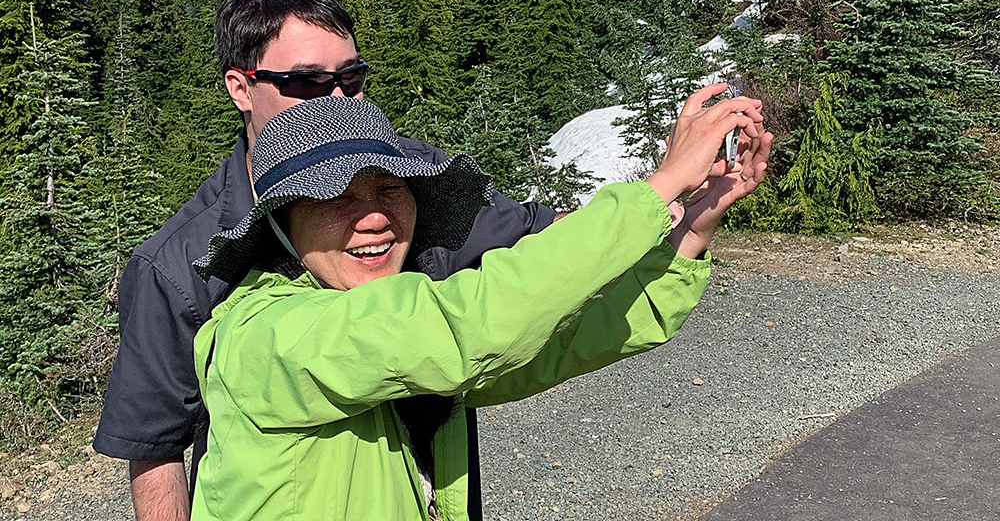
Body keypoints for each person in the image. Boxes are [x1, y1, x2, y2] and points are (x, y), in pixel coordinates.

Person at [93, 0, 560, 521]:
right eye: (309, 82)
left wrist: (665, 208)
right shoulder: (176, 265)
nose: (339, 99)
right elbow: (154, 448)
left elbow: (537, 235)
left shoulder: (410, 176)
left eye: (352, 77)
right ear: (240, 88)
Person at [189, 88, 769, 520]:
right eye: (334, 196)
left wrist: (693, 224)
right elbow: (471, 324)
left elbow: (560, 341)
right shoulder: (264, 335)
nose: (372, 217)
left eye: (390, 188)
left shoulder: (399, 331)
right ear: (283, 225)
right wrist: (657, 189)